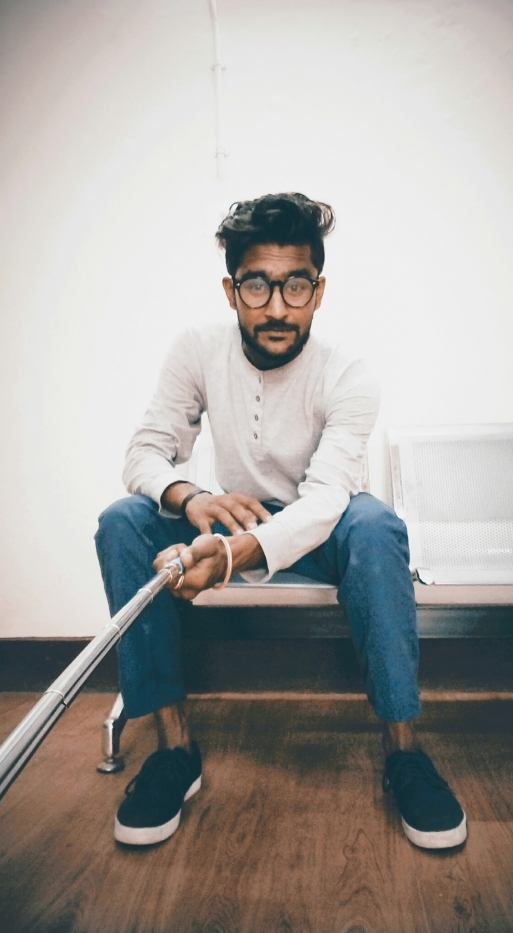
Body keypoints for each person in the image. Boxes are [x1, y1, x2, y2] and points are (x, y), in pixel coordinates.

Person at [95, 192, 466, 850]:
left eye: (295, 285)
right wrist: (188, 496)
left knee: (377, 526)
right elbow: (144, 452)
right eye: (257, 285)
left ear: (318, 291)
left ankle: (405, 753)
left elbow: (326, 499)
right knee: (123, 521)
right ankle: (174, 751)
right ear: (231, 290)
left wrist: (238, 552)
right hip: (229, 514)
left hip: (325, 525)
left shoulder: (349, 371)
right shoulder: (196, 349)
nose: (275, 307)